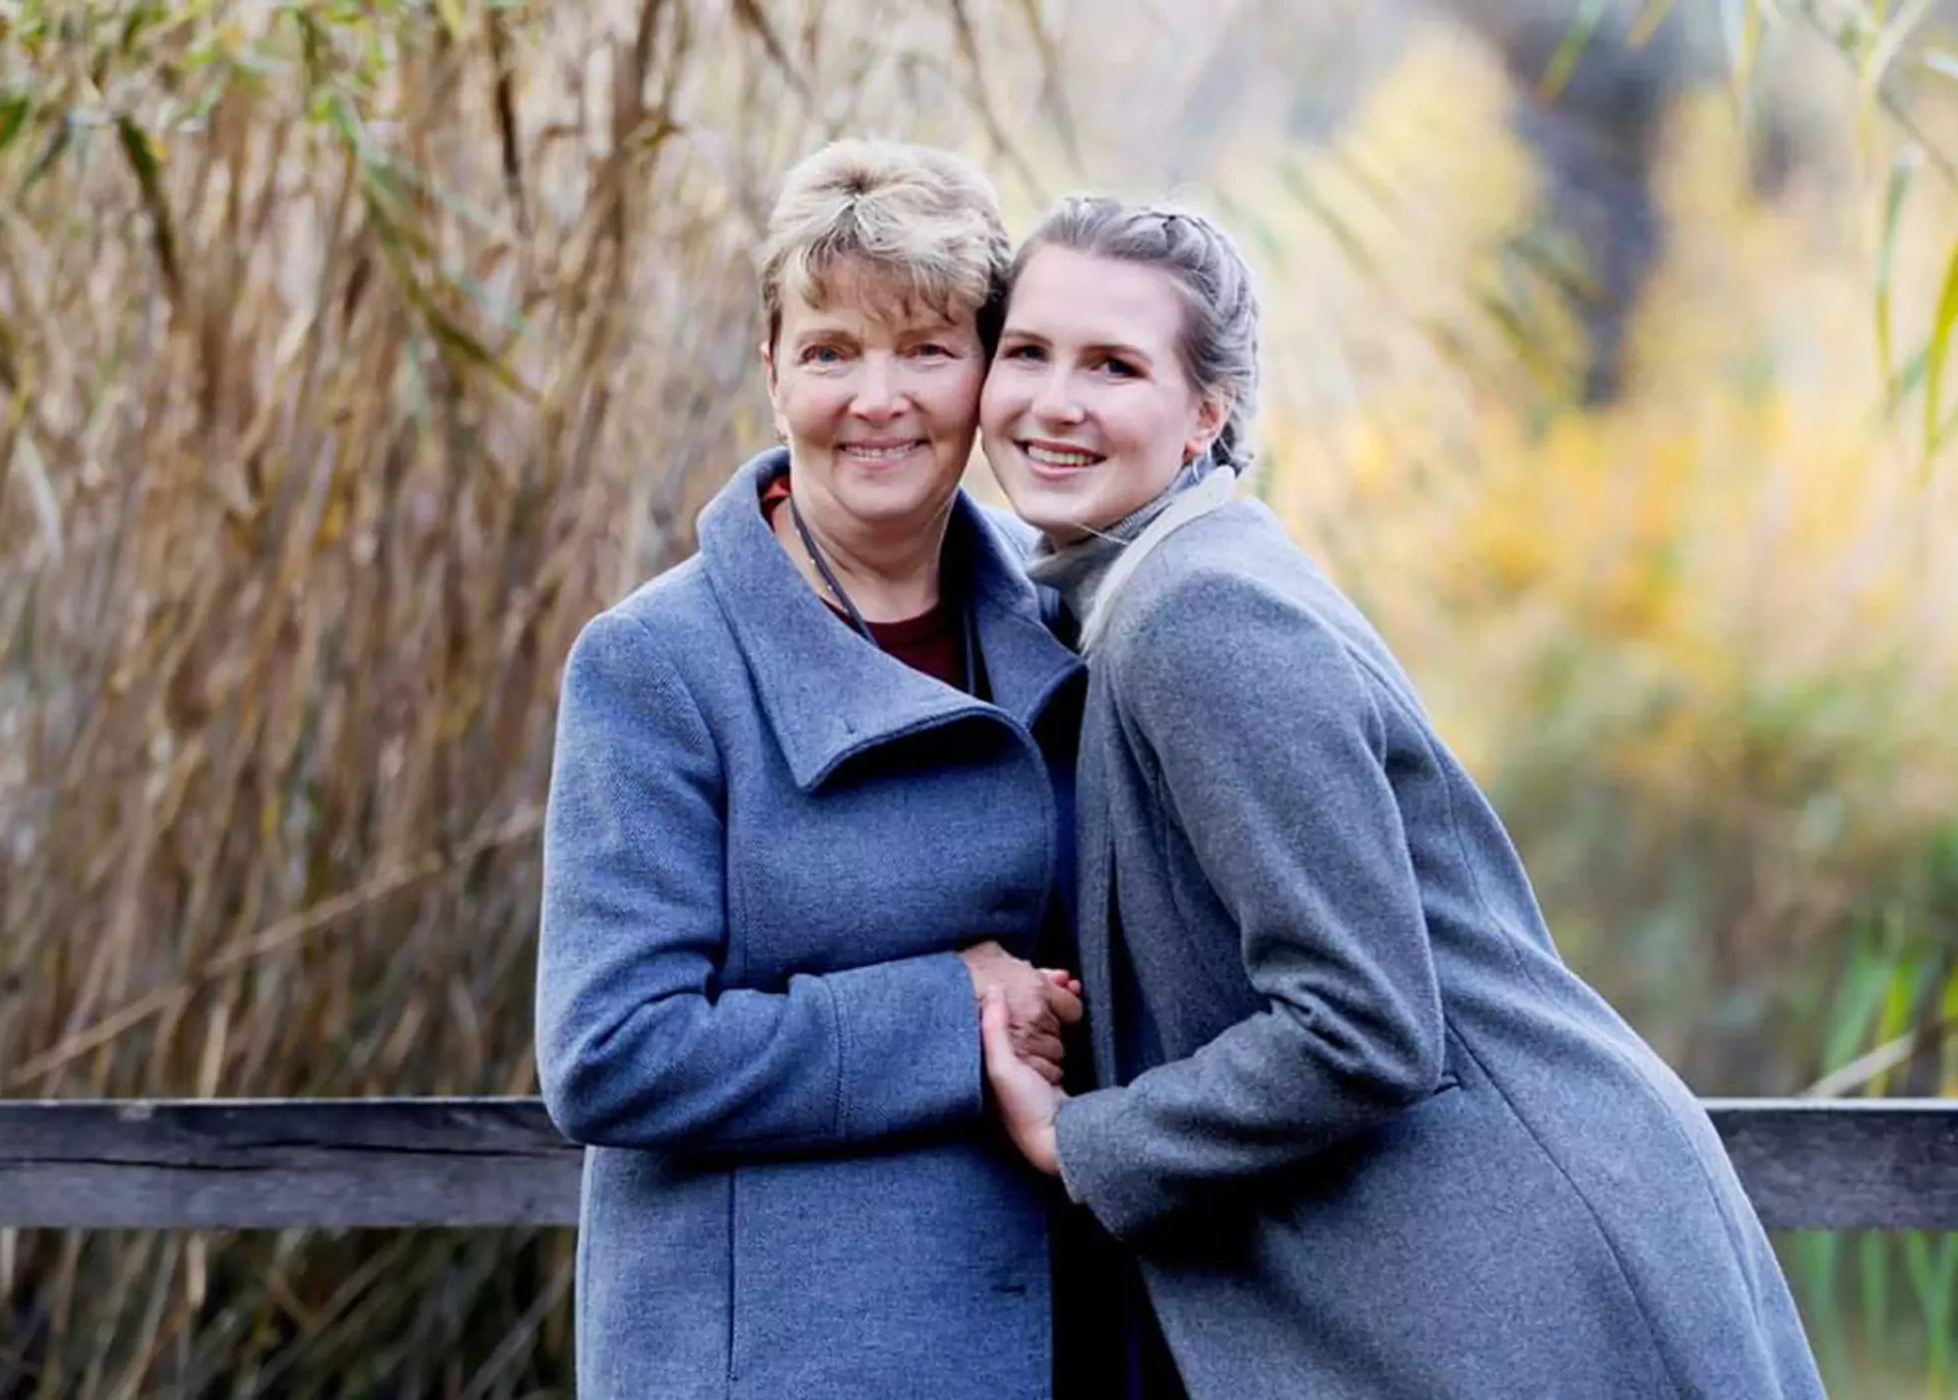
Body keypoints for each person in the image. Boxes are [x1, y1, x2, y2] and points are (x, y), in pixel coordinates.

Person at [975, 194, 1826, 1399]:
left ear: (1206, 412)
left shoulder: (1198, 617)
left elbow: (1360, 1021)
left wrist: (1082, 1140)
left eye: (1112, 365)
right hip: (1500, 1250)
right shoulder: (1168, 579)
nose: (1054, 401)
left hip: (1516, 1270)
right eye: (1027, 352)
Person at [534, 140, 1089, 1400]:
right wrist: (951, 1011)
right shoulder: (657, 663)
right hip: (772, 1358)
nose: (876, 398)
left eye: (925, 349)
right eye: (831, 350)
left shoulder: (1065, 614)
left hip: (1036, 1334)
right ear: (772, 368)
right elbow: (610, 1050)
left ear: (987, 372)